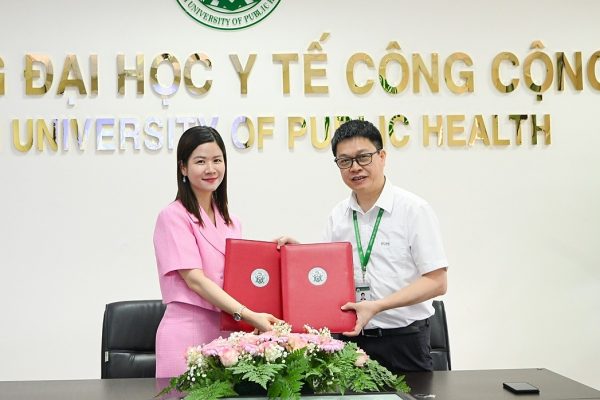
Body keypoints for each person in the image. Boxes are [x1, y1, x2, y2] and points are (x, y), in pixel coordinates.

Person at [277, 119, 448, 373]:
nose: (355, 167)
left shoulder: (413, 210)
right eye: (345, 161)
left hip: (404, 340)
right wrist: (299, 255)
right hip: (350, 341)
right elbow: (328, 276)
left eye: (363, 157)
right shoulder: (338, 215)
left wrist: (378, 306)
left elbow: (437, 282)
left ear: (382, 157)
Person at [153, 126, 279, 378]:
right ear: (183, 168)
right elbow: (196, 280)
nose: (211, 169)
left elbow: (238, 277)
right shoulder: (173, 216)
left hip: (228, 333)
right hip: (186, 333)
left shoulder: (232, 221)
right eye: (200, 161)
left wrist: (276, 255)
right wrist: (249, 315)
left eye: (217, 160)